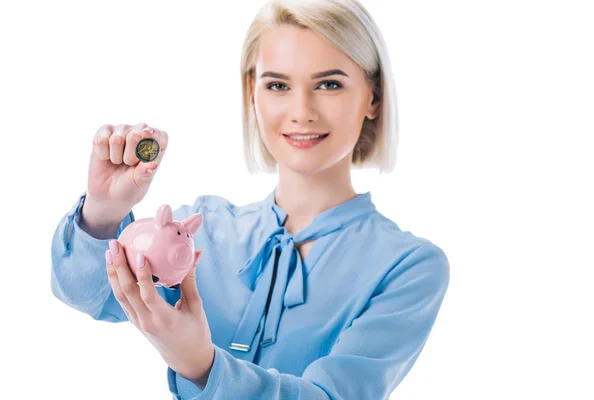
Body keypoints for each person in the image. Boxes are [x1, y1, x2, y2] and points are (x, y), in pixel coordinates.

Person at [50, 0, 450, 398]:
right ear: (252, 93)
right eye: (278, 85)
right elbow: (90, 294)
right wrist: (104, 210)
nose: (301, 111)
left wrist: (201, 365)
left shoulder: (408, 267)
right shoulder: (200, 231)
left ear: (373, 97)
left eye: (329, 84)